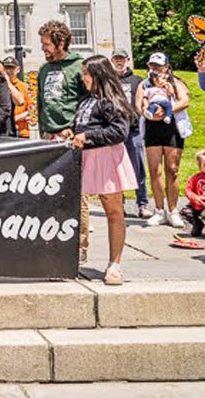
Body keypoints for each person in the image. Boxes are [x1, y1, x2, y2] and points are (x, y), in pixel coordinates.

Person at [60, 55, 135, 286]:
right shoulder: (86, 100)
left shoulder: (111, 100)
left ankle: (115, 264)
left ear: (98, 75)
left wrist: (89, 136)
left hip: (106, 157)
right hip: (86, 157)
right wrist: (72, 132)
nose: (83, 79)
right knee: (75, 207)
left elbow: (119, 131)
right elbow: (83, 124)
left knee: (113, 210)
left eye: (86, 74)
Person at [36, 20, 89, 258]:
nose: (43, 48)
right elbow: (41, 104)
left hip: (71, 138)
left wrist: (77, 129)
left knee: (76, 196)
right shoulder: (44, 70)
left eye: (47, 44)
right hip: (49, 138)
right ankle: (52, 246)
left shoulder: (79, 67)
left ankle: (79, 247)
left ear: (61, 42)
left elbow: (90, 102)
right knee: (49, 194)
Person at [138, 53, 190, 229]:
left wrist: (166, 111)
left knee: (172, 169)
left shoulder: (175, 82)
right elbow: (139, 105)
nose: (156, 69)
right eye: (152, 66)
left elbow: (184, 100)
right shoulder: (144, 85)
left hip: (172, 126)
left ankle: (173, 209)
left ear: (167, 66)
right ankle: (159, 210)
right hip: (153, 127)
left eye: (159, 66)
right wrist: (151, 113)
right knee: (154, 169)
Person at [111, 48, 151, 219]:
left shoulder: (137, 81)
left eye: (121, 59)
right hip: (115, 130)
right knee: (116, 170)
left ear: (127, 60)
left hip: (133, 129)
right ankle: (119, 204)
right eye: (116, 59)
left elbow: (144, 101)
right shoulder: (110, 81)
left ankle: (142, 203)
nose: (119, 62)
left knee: (138, 167)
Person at [2, 57, 31, 138]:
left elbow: (32, 110)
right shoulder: (0, 86)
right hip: (5, 131)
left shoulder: (24, 87)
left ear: (18, 69)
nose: (8, 71)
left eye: (11, 68)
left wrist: (16, 118)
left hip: (22, 132)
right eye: (6, 68)